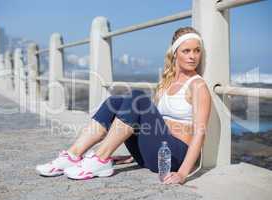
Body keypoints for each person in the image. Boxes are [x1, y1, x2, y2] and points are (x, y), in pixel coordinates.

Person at [36, 27, 211, 185]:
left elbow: (199, 133)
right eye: (186, 51)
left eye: (197, 51)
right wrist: (135, 154)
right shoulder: (166, 83)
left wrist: (182, 174)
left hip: (174, 157)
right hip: (153, 153)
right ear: (175, 53)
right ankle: (73, 154)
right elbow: (151, 123)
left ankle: (101, 158)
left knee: (137, 98)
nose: (192, 56)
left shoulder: (198, 86)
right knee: (116, 101)